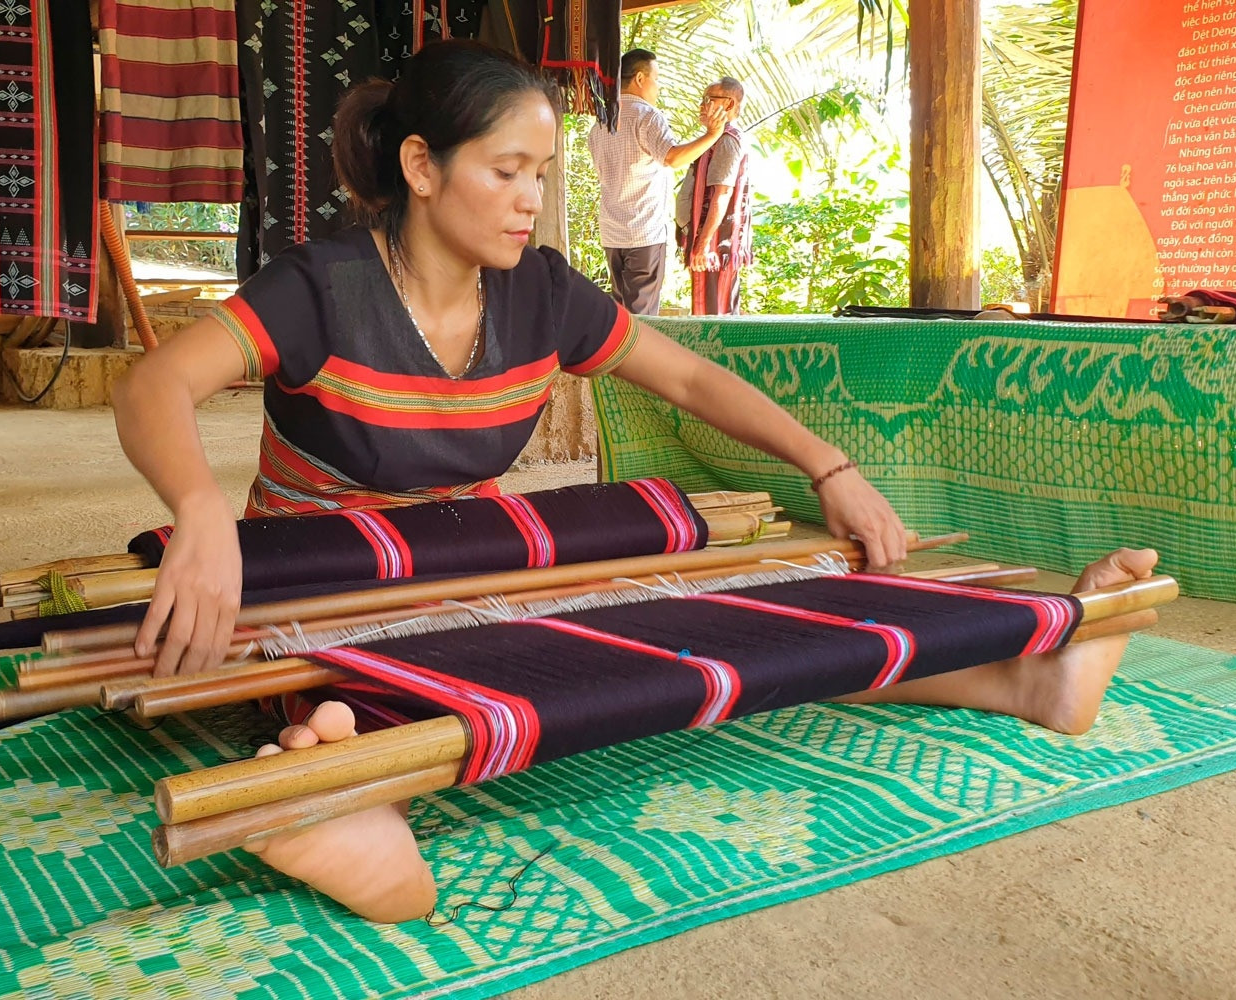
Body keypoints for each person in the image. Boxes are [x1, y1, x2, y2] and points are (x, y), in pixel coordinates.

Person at [111, 41, 1159, 924]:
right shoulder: (323, 290)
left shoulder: (542, 297)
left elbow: (691, 378)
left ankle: (1024, 675)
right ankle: (337, 776)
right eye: (507, 171)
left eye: (543, 175)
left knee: (696, 608)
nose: (532, 202)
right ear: (422, 167)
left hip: (470, 558)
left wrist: (829, 467)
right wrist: (201, 514)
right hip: (320, 574)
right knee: (382, 656)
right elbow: (157, 382)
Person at [587, 49, 729, 316]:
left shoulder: (601, 122)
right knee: (642, 321)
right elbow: (672, 158)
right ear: (640, 78)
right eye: (657, 78)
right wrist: (712, 134)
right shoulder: (647, 116)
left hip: (612, 232)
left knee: (621, 317)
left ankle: (617, 359)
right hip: (644, 232)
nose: (659, 87)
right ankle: (635, 360)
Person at [675, 77, 752, 315]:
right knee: (706, 312)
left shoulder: (727, 140)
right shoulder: (714, 138)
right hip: (709, 243)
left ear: (729, 105)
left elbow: (722, 194)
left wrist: (704, 244)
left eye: (708, 99)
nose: (701, 105)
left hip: (717, 245)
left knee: (714, 316)